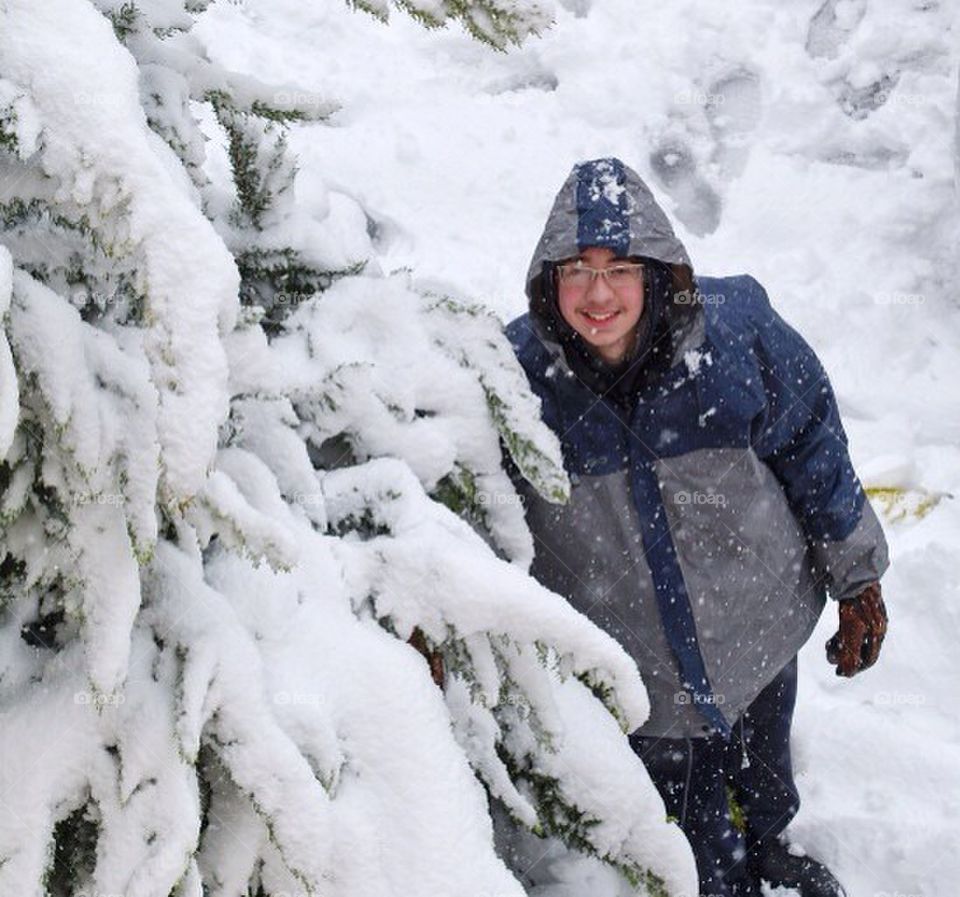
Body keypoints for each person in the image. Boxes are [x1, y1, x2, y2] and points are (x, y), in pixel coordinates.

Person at [503, 157, 890, 897]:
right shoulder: (518, 378)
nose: (597, 294)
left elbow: (814, 445)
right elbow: (473, 501)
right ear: (548, 281)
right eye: (576, 271)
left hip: (756, 627)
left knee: (764, 774)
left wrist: (858, 576)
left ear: (657, 272)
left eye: (619, 268)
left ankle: (771, 844)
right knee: (691, 827)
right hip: (637, 668)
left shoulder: (733, 338)